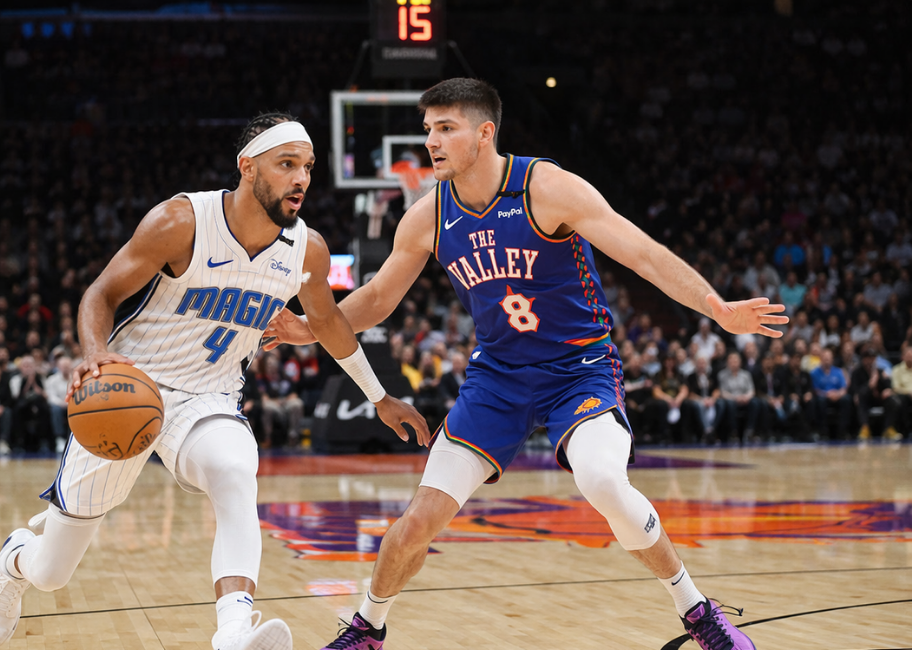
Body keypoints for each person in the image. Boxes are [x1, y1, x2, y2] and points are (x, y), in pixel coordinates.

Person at [264, 79, 780, 650]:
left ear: (484, 133)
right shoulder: (426, 216)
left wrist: (717, 308)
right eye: (428, 129)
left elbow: (643, 253)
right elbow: (380, 296)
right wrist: (309, 330)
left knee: (605, 481)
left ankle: (699, 612)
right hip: (497, 380)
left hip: (578, 369)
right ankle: (367, 629)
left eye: (445, 128)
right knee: (415, 523)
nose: (430, 142)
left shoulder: (546, 188)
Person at [0, 114, 428, 650]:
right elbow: (100, 293)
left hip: (208, 397)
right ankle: (14, 562)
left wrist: (379, 396)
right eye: (287, 165)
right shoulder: (182, 220)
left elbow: (328, 322)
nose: (301, 178)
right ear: (248, 166)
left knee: (237, 469)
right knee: (53, 572)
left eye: (307, 167)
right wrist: (96, 355)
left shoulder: (307, 250)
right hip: (129, 391)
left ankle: (235, 632)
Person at [849, 347, 900, 441]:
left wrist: (888, 390)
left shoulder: (881, 371)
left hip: (879, 398)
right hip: (866, 400)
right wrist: (870, 384)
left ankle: (888, 428)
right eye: (867, 358)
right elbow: (856, 391)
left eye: (872, 358)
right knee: (861, 398)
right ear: (863, 360)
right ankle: (865, 428)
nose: (870, 361)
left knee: (893, 401)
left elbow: (888, 385)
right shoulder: (856, 372)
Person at [810, 348, 851, 441]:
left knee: (847, 399)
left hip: (837, 397)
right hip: (823, 397)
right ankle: (823, 432)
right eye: (825, 358)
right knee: (820, 401)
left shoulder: (838, 371)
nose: (827, 360)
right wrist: (827, 394)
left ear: (832, 359)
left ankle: (843, 432)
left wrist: (837, 394)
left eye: (829, 358)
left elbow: (843, 388)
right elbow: (815, 390)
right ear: (820, 359)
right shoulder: (814, 373)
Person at [44, 357, 73, 453]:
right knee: (55, 409)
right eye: (63, 366)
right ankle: (59, 438)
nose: (65, 368)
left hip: (73, 405)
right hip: (59, 405)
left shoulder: (75, 378)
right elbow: (51, 397)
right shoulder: (52, 380)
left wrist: (69, 403)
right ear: (58, 367)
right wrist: (62, 403)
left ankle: (75, 438)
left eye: (67, 366)